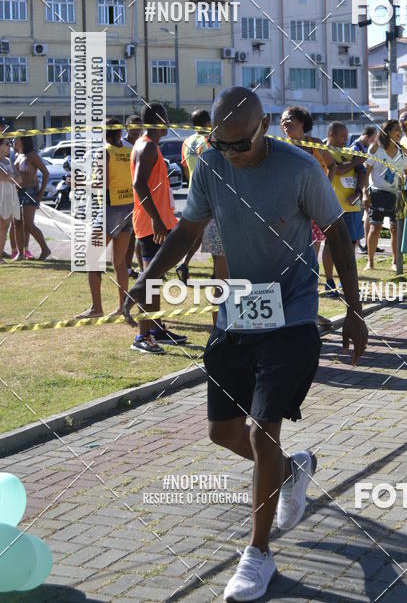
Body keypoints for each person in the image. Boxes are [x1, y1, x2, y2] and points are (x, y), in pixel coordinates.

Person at [123, 87, 368, 602]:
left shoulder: (300, 168)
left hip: (293, 313)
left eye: (241, 144)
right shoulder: (210, 165)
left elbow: (338, 234)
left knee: (262, 432)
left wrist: (353, 310)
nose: (231, 153)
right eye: (223, 144)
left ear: (264, 130)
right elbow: (188, 233)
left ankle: (258, 554)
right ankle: (292, 467)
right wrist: (147, 278)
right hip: (238, 309)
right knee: (222, 432)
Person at [130, 102, 185, 352]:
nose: (168, 125)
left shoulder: (151, 146)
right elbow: (138, 184)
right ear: (157, 120)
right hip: (151, 225)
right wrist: (155, 218)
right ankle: (143, 337)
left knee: (156, 279)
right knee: (150, 280)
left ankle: (155, 328)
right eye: (165, 119)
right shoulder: (147, 146)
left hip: (159, 223)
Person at [279, 107, 335, 328]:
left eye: (289, 120)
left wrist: (324, 189)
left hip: (313, 213)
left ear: (302, 121)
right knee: (291, 264)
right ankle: (296, 313)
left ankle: (310, 312)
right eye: (282, 121)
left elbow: (332, 165)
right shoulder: (280, 147)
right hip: (290, 215)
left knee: (310, 264)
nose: (284, 124)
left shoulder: (315, 145)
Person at [75, 118, 134, 320]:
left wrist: (80, 182)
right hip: (128, 209)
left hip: (110, 209)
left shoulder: (104, 152)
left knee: (91, 260)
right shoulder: (129, 152)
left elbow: (103, 184)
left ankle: (96, 308)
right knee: (120, 264)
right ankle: (122, 307)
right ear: (120, 133)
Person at [322, 121, 365, 296]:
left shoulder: (348, 151)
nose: (345, 140)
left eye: (346, 137)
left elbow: (362, 171)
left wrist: (358, 192)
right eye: (342, 136)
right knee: (331, 245)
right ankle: (329, 282)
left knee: (351, 245)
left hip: (352, 206)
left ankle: (345, 282)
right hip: (333, 206)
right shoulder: (324, 151)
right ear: (331, 134)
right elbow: (337, 170)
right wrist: (355, 162)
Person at [363, 119, 407, 272]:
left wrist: (406, 188)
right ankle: (370, 262)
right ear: (387, 131)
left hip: (396, 194)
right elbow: (366, 172)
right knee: (375, 228)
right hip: (377, 192)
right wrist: (365, 193)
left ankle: (395, 261)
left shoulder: (402, 150)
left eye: (400, 129)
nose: (400, 132)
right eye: (396, 129)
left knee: (395, 229)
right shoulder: (376, 148)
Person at [176, 109, 212, 285]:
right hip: (210, 193)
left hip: (193, 191)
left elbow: (184, 167)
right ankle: (218, 271)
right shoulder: (210, 139)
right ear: (207, 123)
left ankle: (184, 264)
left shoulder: (187, 142)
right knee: (215, 234)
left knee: (196, 233)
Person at [13, 135, 51, 261]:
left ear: (23, 141)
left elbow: (45, 173)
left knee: (28, 224)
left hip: (29, 192)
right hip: (17, 192)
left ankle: (45, 249)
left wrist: (40, 193)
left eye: (16, 139)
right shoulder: (18, 155)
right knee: (17, 223)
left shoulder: (32, 155)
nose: (14, 140)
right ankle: (21, 253)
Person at [122, 115, 144, 280]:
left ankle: (133, 267)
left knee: (136, 234)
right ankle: (124, 266)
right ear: (126, 127)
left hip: (138, 196)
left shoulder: (143, 143)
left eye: (139, 126)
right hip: (121, 196)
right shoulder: (121, 145)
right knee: (124, 235)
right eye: (133, 127)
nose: (137, 130)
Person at [350, 126, 378, 253]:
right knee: (360, 215)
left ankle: (363, 243)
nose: (373, 142)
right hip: (356, 187)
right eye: (372, 139)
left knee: (364, 214)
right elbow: (358, 169)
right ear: (366, 137)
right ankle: (359, 243)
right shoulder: (355, 148)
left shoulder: (364, 148)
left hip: (363, 186)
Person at [0, 138, 21, 261]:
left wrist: (11, 177)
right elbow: (3, 176)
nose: (10, 147)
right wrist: (11, 177)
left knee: (4, 227)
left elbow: (19, 179)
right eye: (7, 144)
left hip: (8, 198)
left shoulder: (8, 161)